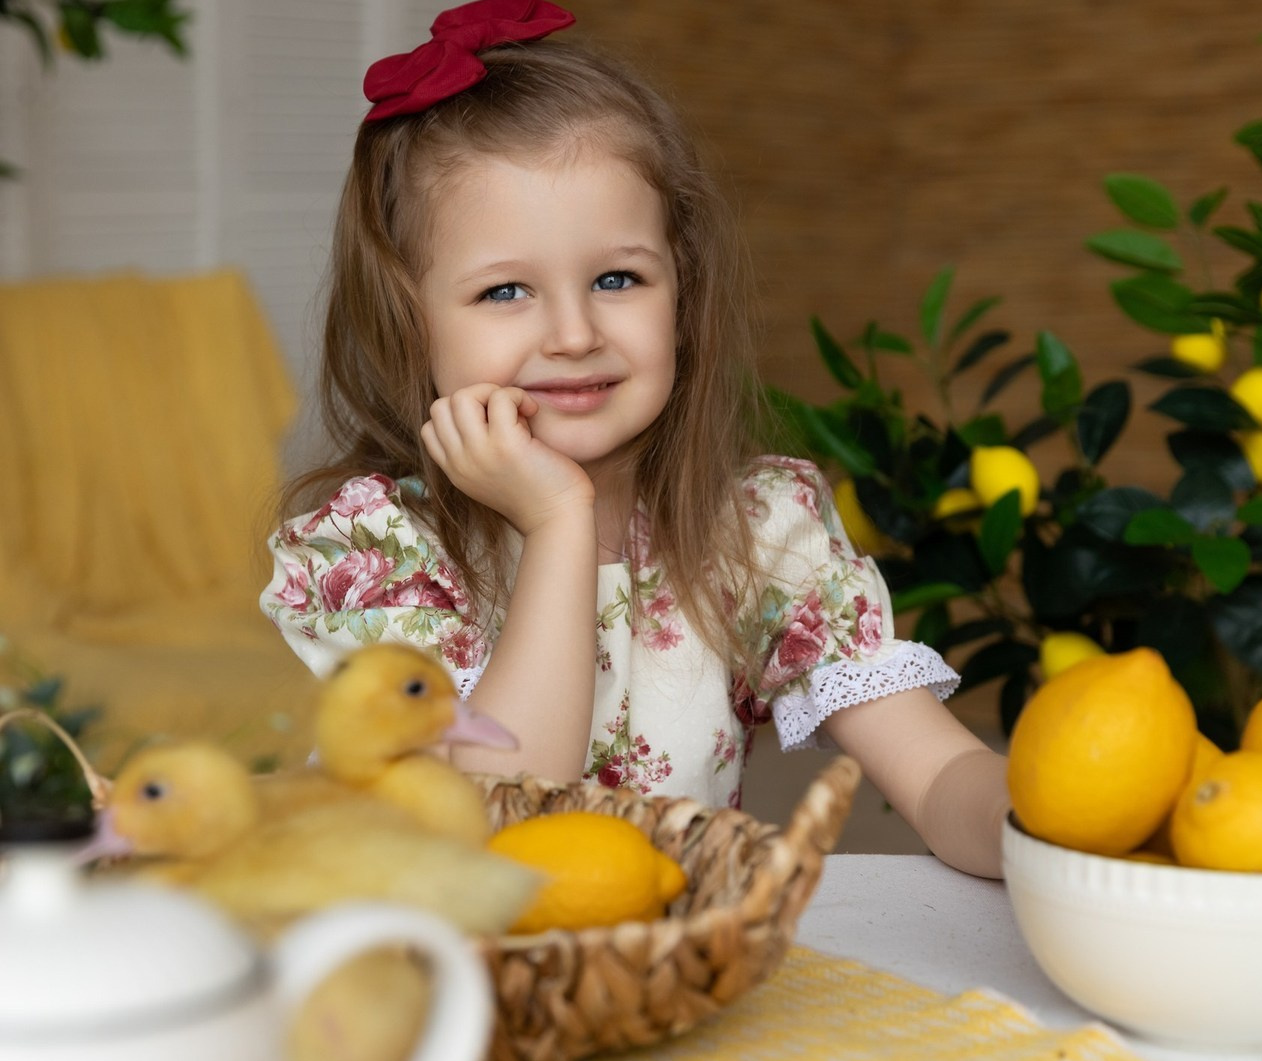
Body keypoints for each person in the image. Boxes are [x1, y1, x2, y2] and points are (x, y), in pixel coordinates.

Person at [261, 0, 1008, 878]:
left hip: (660, 976)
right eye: (505, 292)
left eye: (618, 277)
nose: (574, 332)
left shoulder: (759, 533)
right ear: (409, 324)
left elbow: (941, 776)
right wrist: (557, 523)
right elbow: (498, 826)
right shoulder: (377, 552)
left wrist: (1037, 820)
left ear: (682, 296)